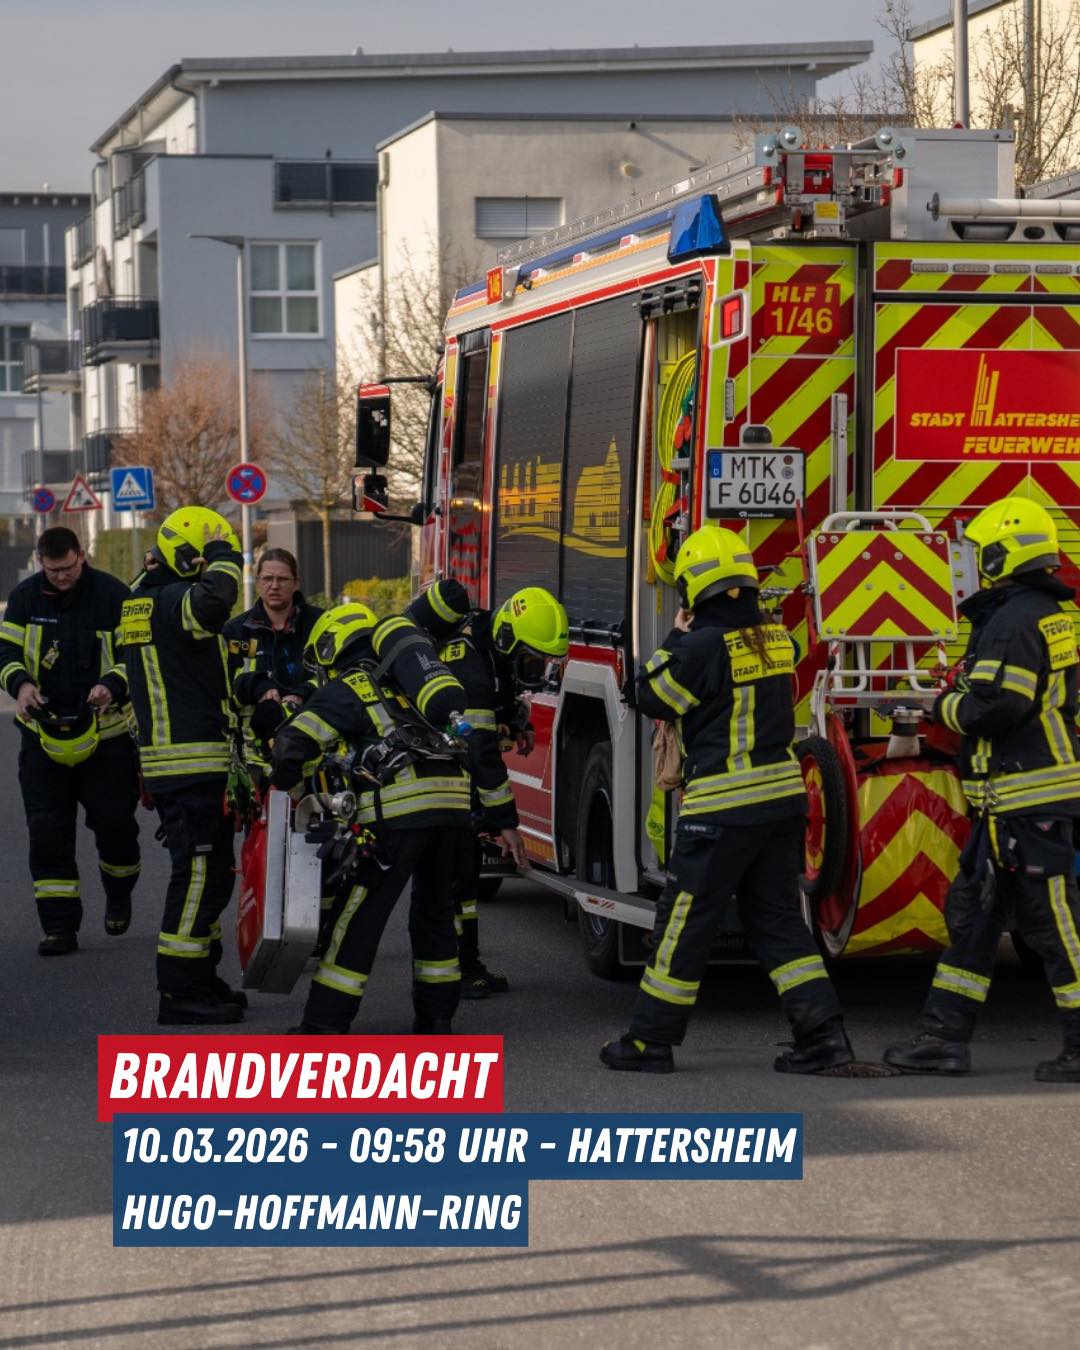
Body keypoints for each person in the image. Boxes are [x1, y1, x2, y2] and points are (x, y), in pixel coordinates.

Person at [600, 522, 854, 1075]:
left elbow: (649, 696)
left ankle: (649, 1040)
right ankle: (824, 1038)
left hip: (720, 811)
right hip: (782, 806)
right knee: (779, 921)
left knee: (684, 923)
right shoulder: (777, 640)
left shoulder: (699, 647)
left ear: (693, 589)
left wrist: (674, 637)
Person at [885, 496, 1080, 1082]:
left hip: (1027, 801)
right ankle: (942, 1039)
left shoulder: (1013, 621)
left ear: (1000, 555)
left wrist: (937, 705)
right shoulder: (1049, 612)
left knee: (1055, 926)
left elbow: (997, 706)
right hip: (1010, 804)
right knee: (972, 920)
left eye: (980, 553)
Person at [269, 605, 473, 1034]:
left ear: (330, 649)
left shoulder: (349, 686)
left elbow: (291, 745)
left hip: (400, 812)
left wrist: (288, 789)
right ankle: (436, 1021)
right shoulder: (408, 682)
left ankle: (324, 1024)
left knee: (359, 916)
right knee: (436, 913)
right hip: (454, 807)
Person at [406, 578, 568, 997]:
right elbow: (480, 751)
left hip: (451, 778)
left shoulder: (489, 643)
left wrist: (515, 721)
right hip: (434, 780)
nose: (536, 672)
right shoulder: (471, 670)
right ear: (508, 638)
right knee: (450, 881)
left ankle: (465, 967)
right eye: (531, 662)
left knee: (462, 878)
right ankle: (453, 974)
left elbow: (504, 687)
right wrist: (507, 823)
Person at [121, 506, 246, 1025]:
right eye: (202, 561)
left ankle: (202, 978)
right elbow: (215, 601)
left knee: (212, 877)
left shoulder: (143, 599)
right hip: (188, 765)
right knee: (197, 877)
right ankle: (178, 992)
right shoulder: (172, 601)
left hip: (182, 766)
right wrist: (224, 554)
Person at [0, 526, 140, 955]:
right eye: (52, 569)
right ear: (40, 561)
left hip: (107, 738)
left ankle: (118, 891)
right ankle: (59, 927)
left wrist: (110, 686)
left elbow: (135, 657)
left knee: (116, 827)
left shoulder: (114, 595)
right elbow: (5, 654)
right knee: (47, 832)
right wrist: (21, 685)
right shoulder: (24, 598)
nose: (61, 576)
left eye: (67, 568)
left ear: (82, 554)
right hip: (42, 737)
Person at [223, 547, 323, 774]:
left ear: (296, 583)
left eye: (282, 579)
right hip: (254, 759)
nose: (274, 586)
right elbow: (223, 684)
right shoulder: (237, 631)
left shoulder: (319, 624)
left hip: (314, 752)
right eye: (268, 579)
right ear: (258, 582)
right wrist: (256, 686)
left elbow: (336, 677)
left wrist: (303, 693)